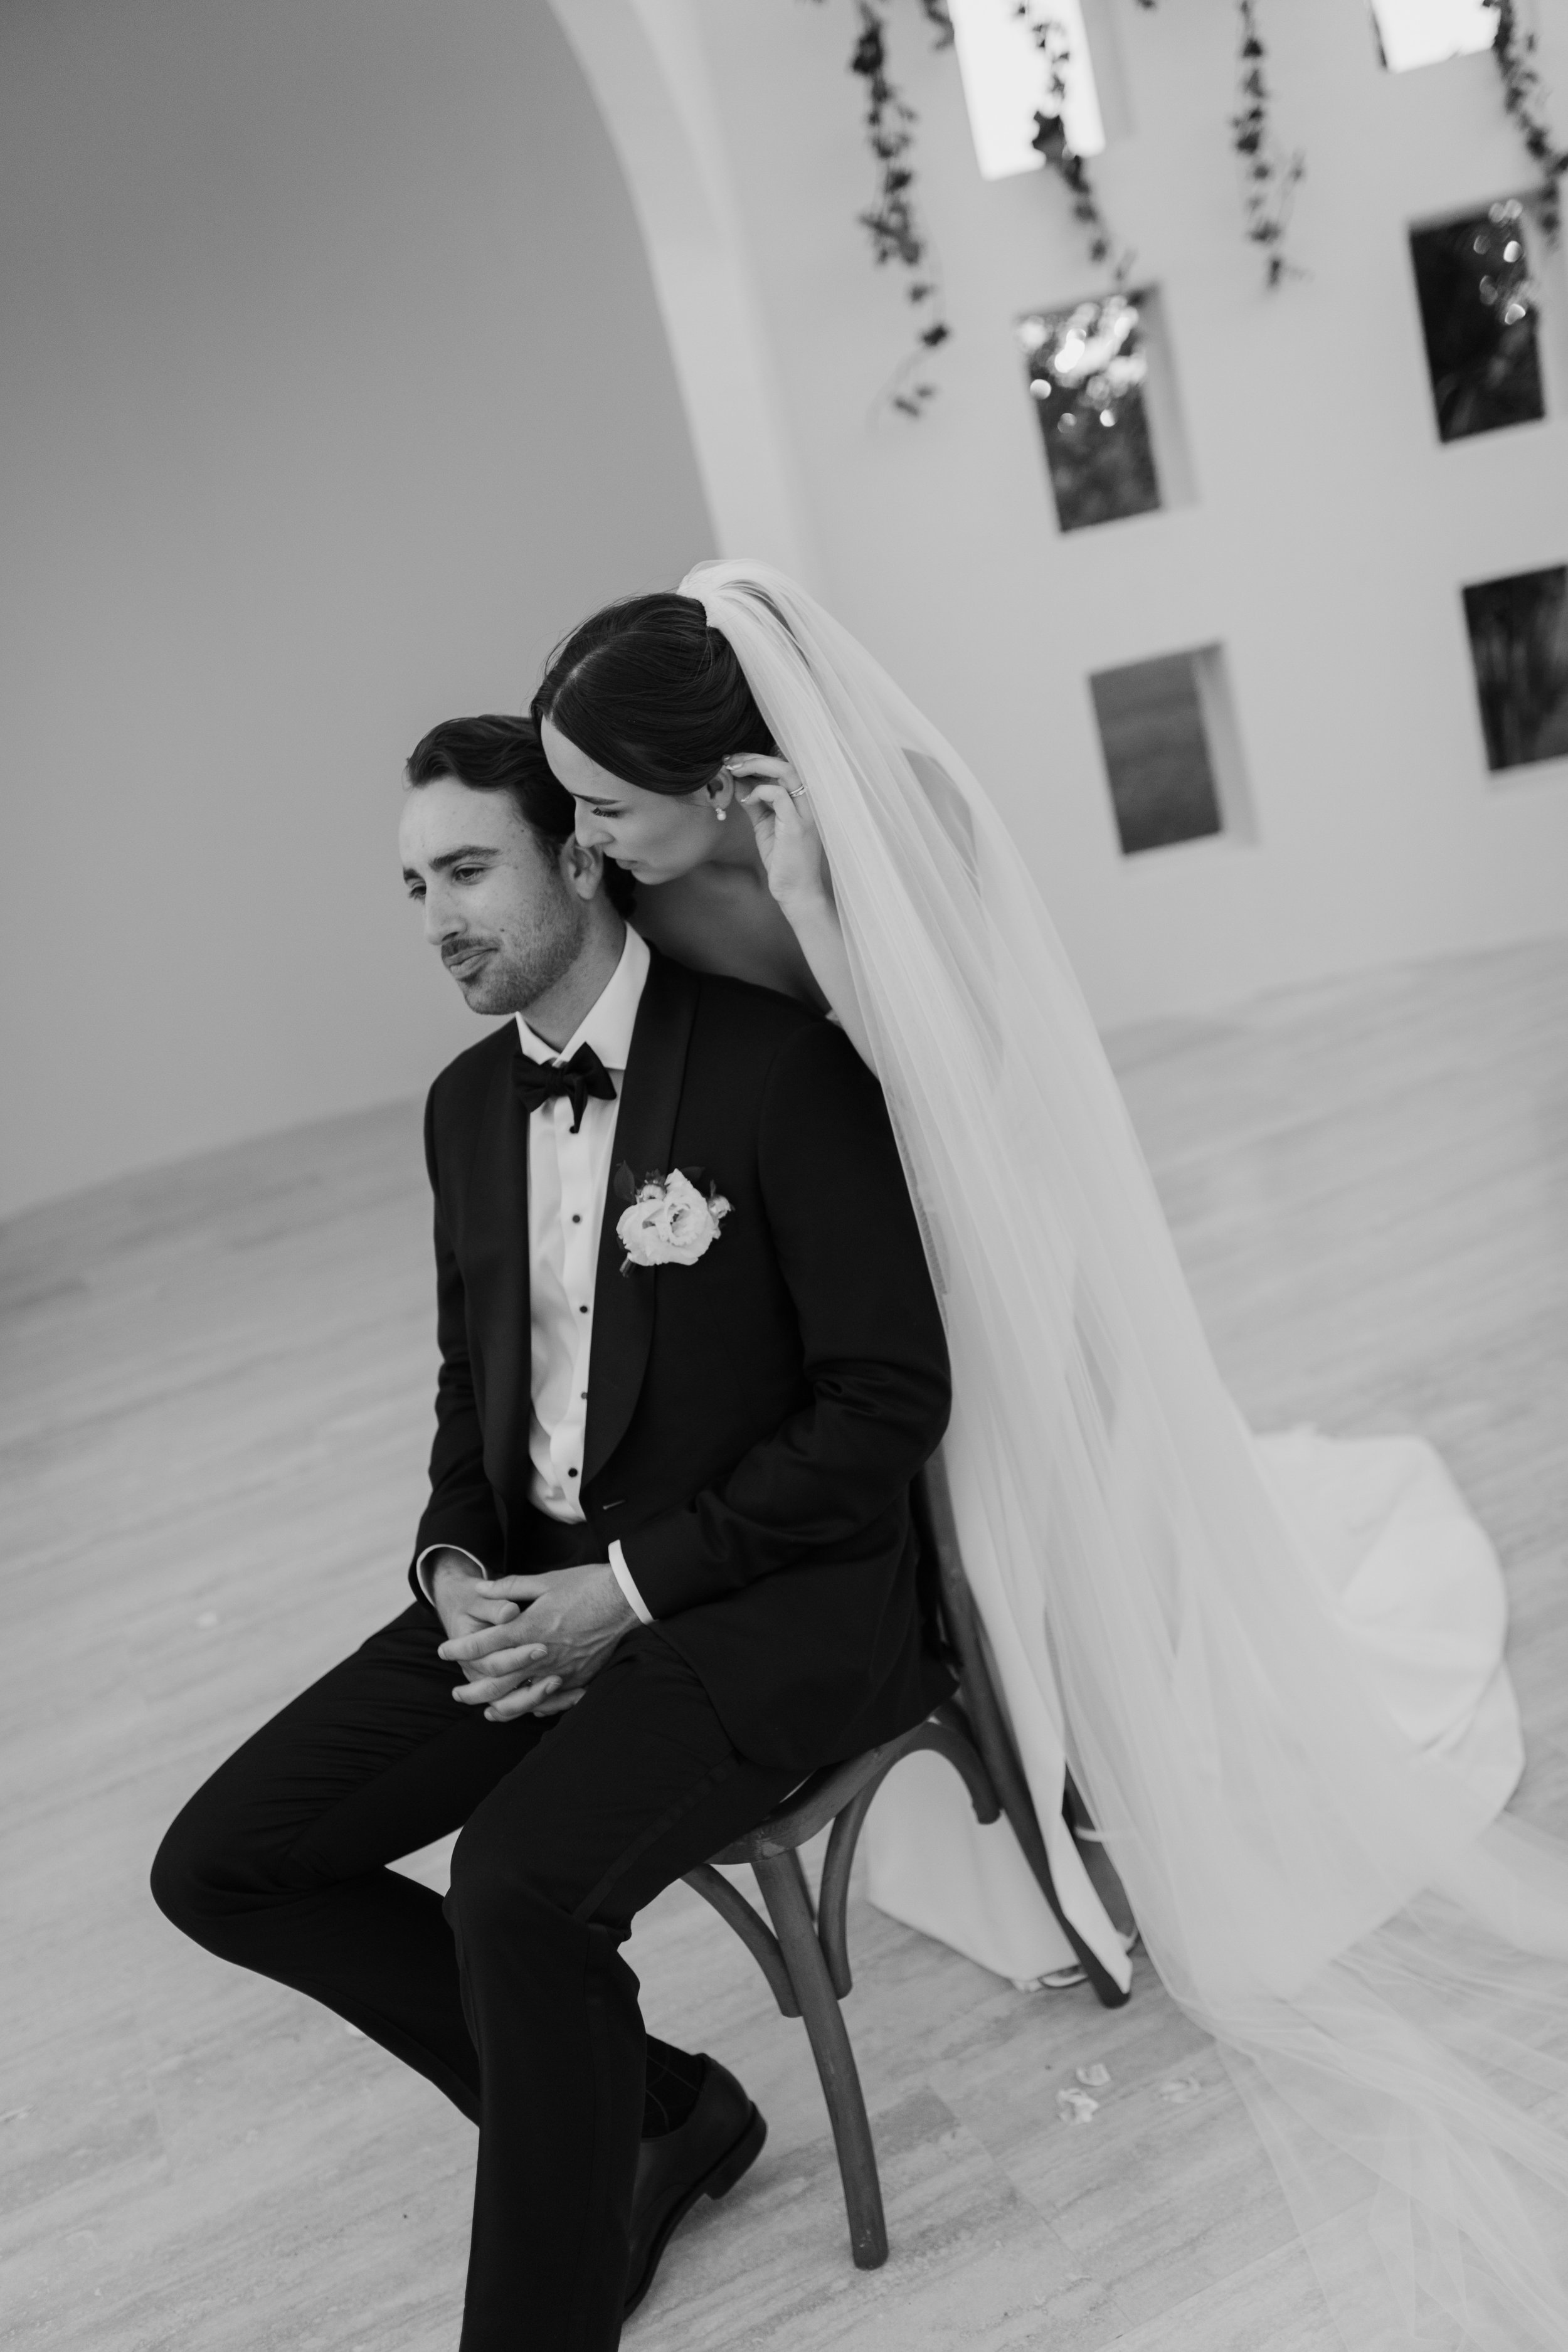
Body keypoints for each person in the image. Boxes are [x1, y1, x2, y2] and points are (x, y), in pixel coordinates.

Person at [532, 560, 1568, 2349]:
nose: (586, 838)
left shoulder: (879, 830)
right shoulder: (646, 897)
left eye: (611, 803)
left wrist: (821, 918)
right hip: (849, 1276)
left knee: (1056, 1520)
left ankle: (1116, 1775)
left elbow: (973, 1097)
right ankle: (1017, 1770)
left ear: (726, 783)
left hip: (993, 1241)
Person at [150, 712, 955, 2349]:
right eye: (413, 885)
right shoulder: (463, 1109)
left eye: (467, 869)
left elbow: (886, 1404)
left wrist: (625, 1594)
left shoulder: (773, 1069)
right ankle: (653, 2115)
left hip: (773, 1597)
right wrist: (457, 1577)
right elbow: (476, 1399)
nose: (437, 915)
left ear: (578, 852)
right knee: (223, 1865)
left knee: (517, 1887)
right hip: (535, 1584)